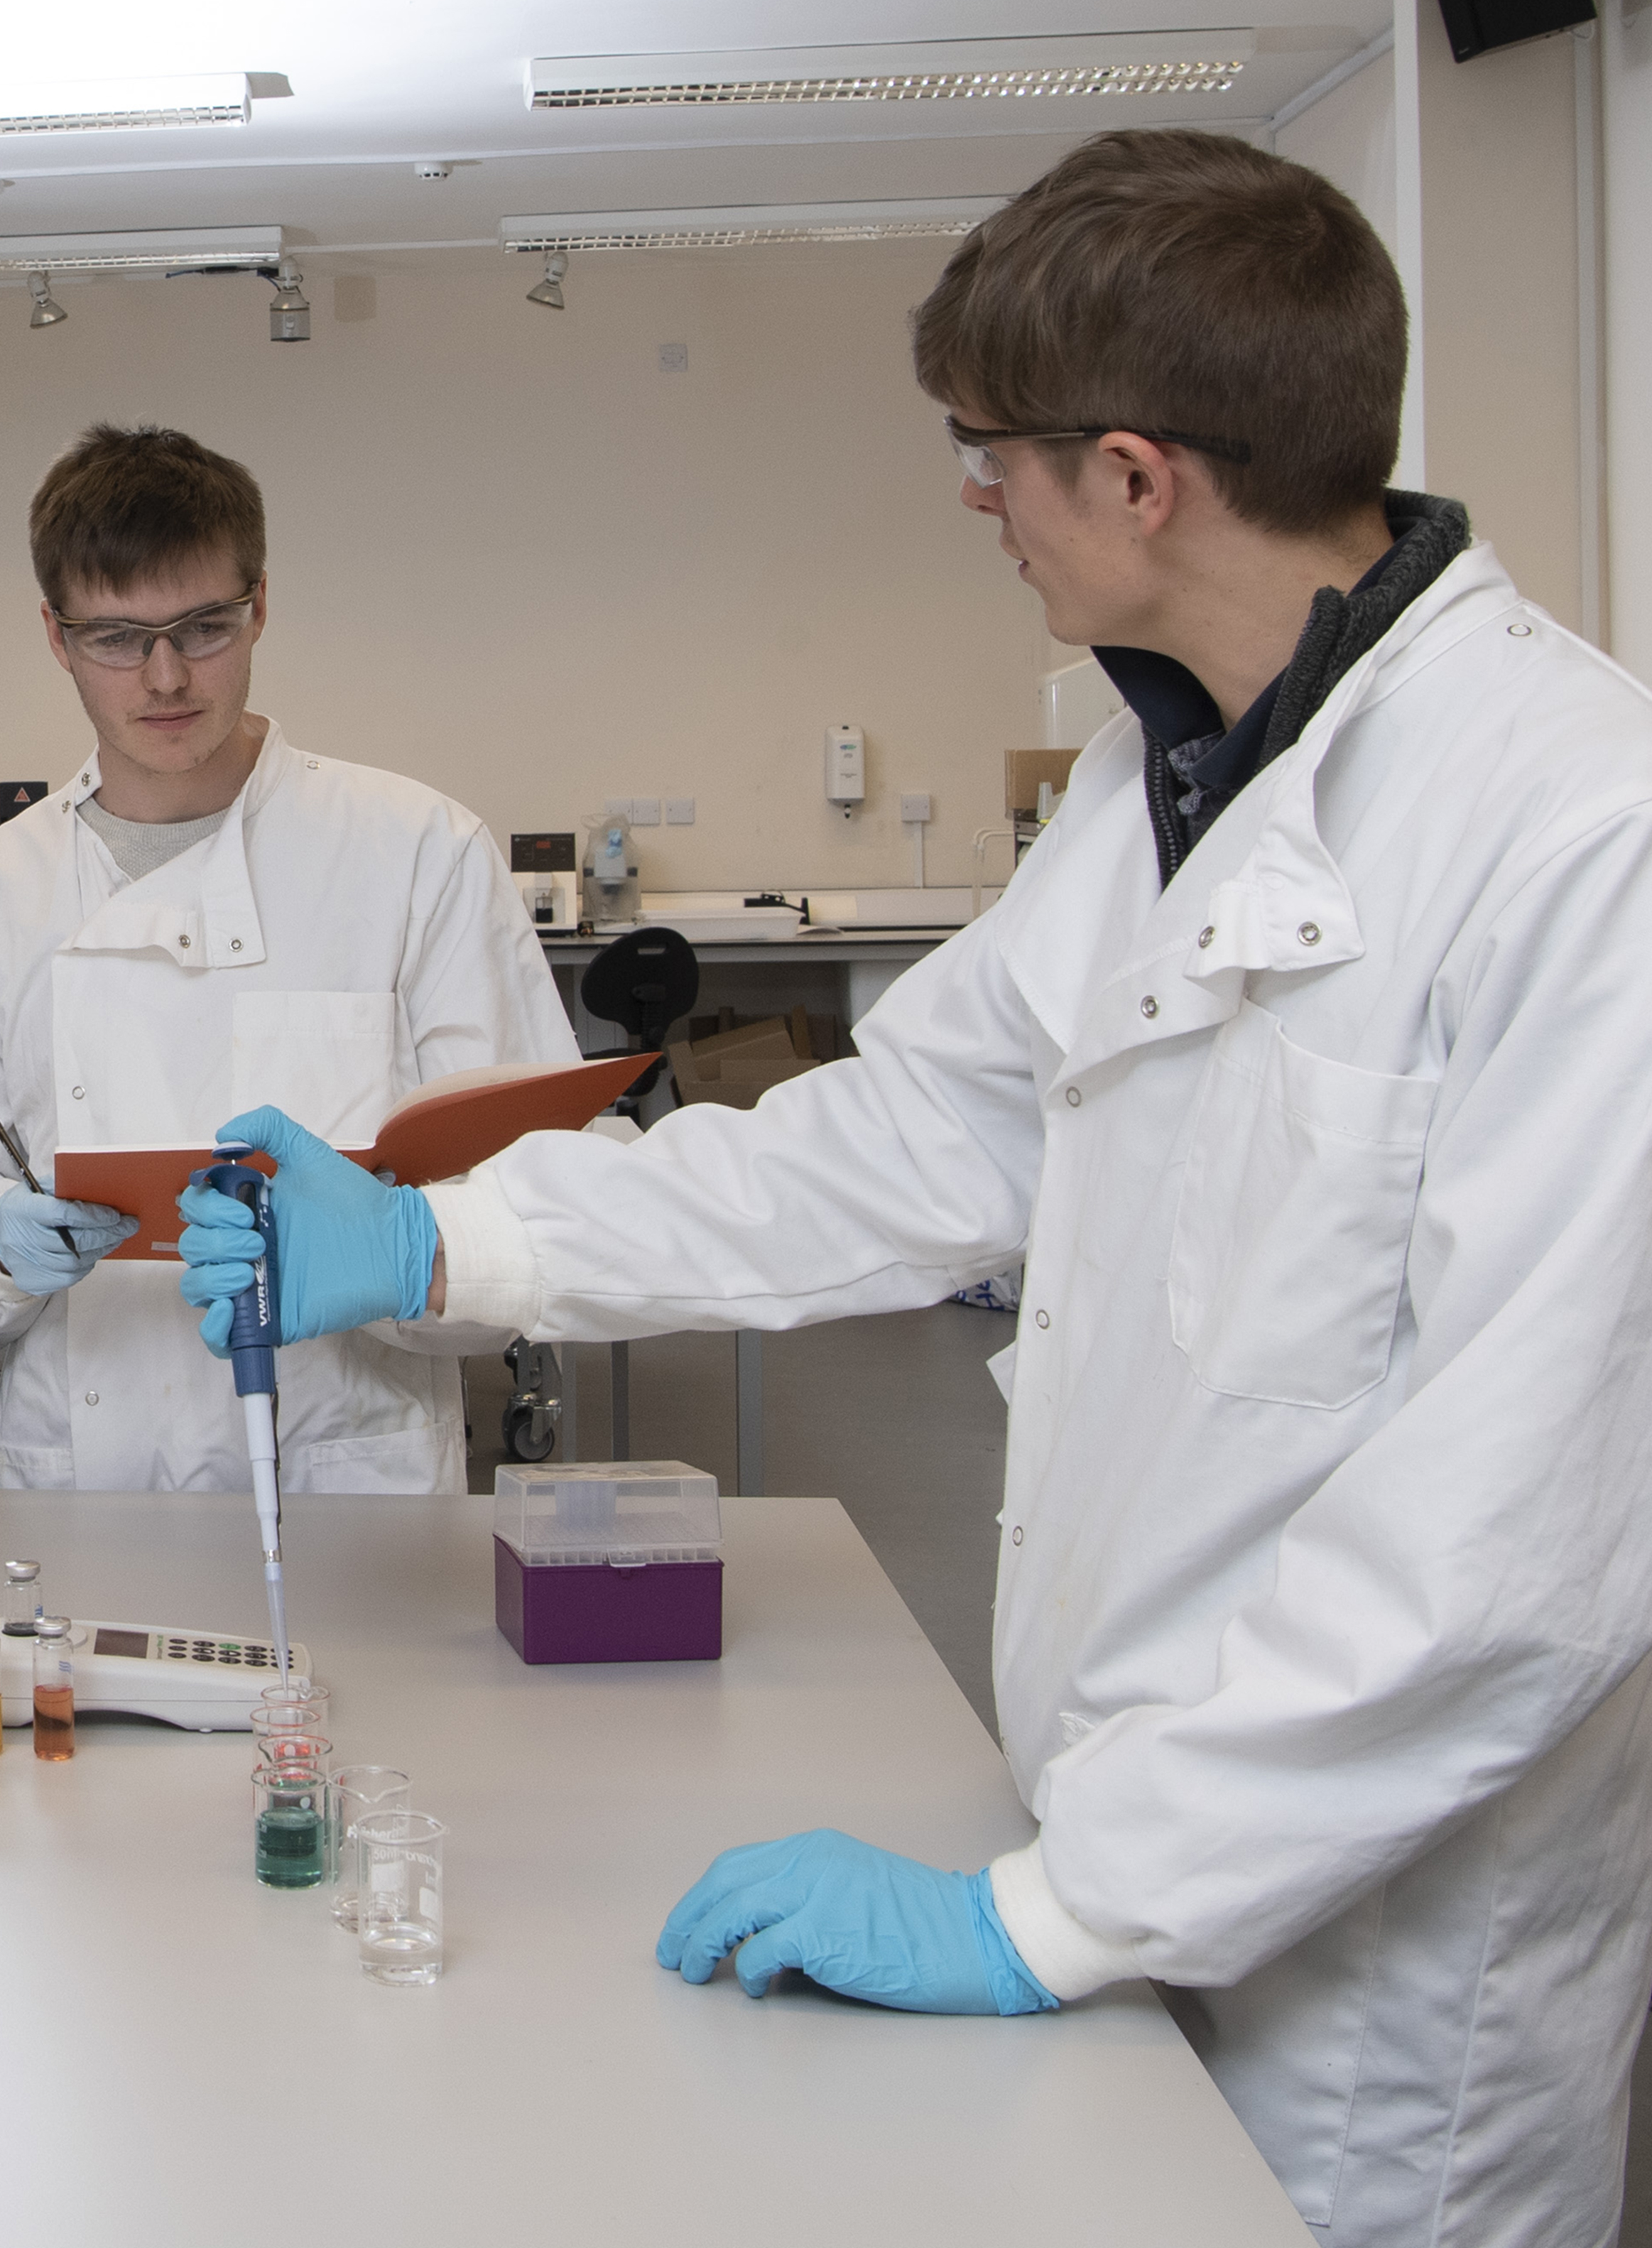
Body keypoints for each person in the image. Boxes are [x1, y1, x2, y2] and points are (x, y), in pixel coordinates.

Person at [189, 128, 1652, 2247]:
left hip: (1385, 1974)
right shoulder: (1179, 775)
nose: (975, 505)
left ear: (1134, 475)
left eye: (989, 458)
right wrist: (453, 1233)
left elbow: (1509, 1548)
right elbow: (901, 1140)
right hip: (1116, 1813)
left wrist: (1047, 1911)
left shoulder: (1578, 828)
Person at [0, 423, 570, 1495]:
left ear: (260, 604)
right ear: (54, 636)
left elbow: (524, 1206)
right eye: (115, 636)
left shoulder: (417, 853)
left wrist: (391, 1253)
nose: (164, 676)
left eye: (203, 626)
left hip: (352, 1475)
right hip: (81, 1477)